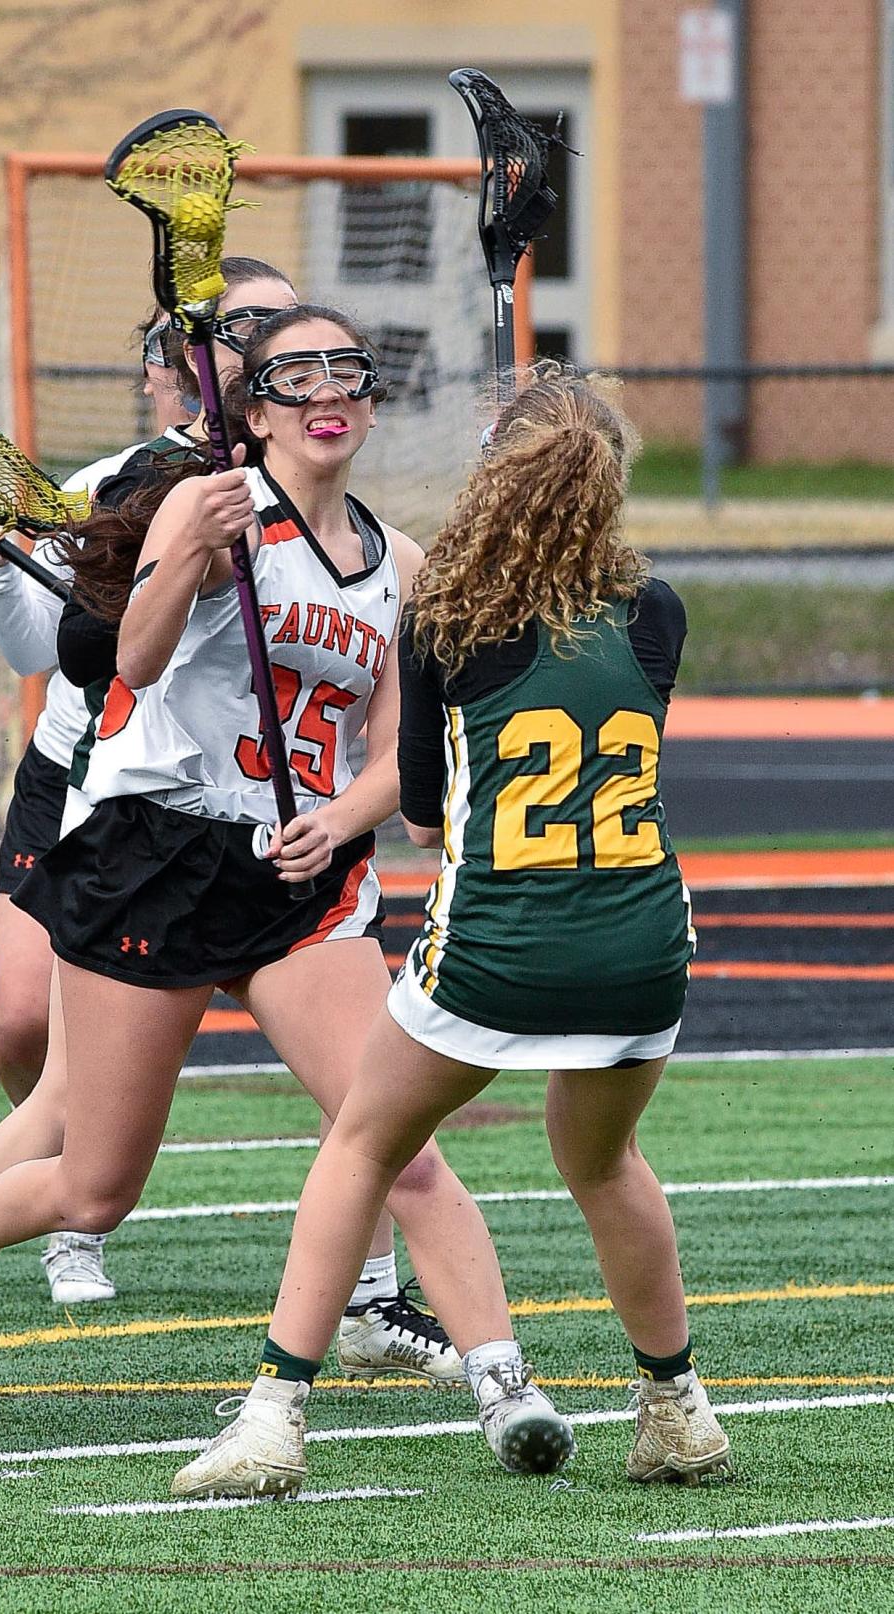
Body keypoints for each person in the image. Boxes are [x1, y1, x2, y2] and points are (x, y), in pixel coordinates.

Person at [0, 307, 570, 1473]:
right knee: (93, 1190)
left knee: (398, 1141)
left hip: (297, 888)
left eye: (350, 372)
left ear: (374, 402)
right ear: (256, 409)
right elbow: (128, 661)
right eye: (297, 376)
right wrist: (189, 550)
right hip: (157, 856)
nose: (327, 391)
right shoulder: (202, 503)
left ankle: (506, 1391)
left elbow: (399, 752)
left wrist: (342, 816)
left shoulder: (405, 567)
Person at [172, 362, 733, 1499]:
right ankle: (676, 1409)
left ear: (500, 480)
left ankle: (273, 1417)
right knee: (605, 1160)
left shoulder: (448, 612)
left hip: (499, 945)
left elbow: (422, 807)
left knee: (365, 1144)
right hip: (640, 947)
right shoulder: (655, 611)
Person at [0, 267, 299, 1431]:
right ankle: (28, 1226)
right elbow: (62, 649)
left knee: (360, 1078)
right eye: (237, 331)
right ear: (173, 360)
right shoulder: (114, 486)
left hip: (269, 814)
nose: (257, 348)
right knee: (29, 1036)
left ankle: (373, 1300)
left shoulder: (311, 493)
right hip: (101, 790)